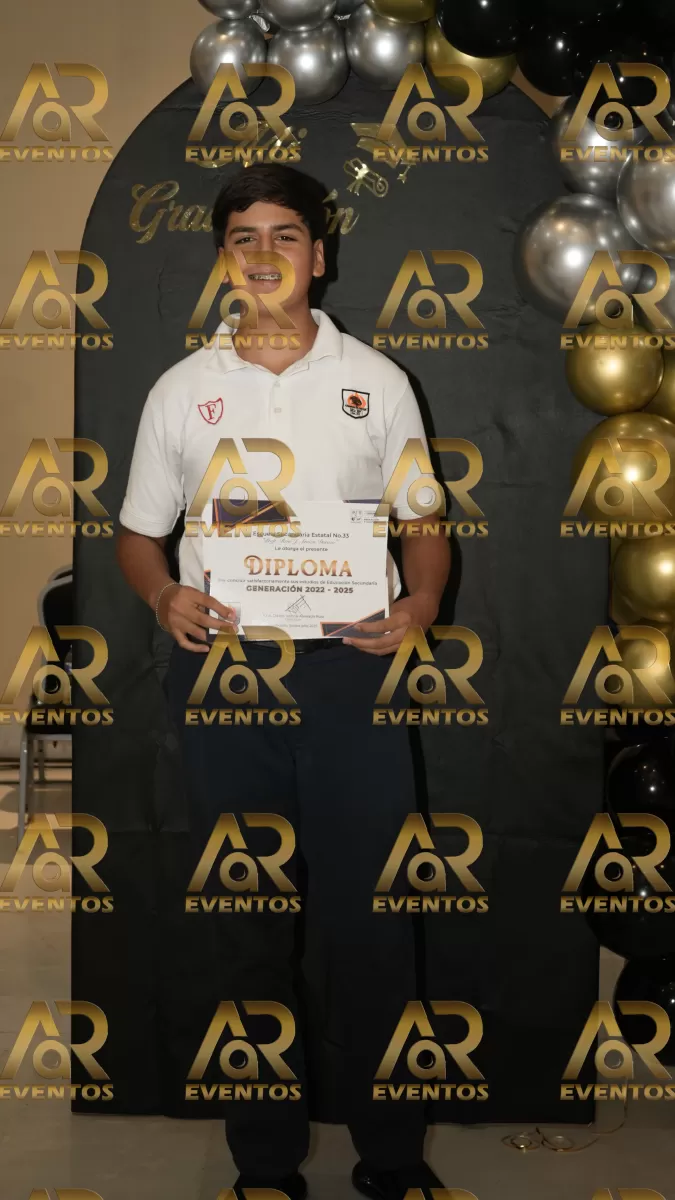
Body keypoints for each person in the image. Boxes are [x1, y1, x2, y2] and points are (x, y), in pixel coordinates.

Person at [116, 164, 451, 1200]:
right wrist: (162, 597)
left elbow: (423, 525)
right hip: (226, 682)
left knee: (375, 924)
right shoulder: (180, 389)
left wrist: (420, 603)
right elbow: (138, 535)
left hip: (352, 679)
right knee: (245, 923)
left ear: (320, 254)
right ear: (223, 258)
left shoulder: (378, 381)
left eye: (286, 234)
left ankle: (392, 1160)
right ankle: (264, 1164)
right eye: (243, 237)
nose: (265, 253)